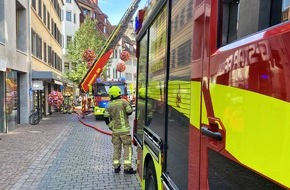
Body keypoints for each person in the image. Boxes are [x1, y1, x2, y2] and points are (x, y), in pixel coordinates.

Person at [103, 86, 136, 174]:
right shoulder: (124, 102)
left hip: (115, 131)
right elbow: (130, 112)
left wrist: (110, 126)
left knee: (116, 149)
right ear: (119, 93)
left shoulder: (108, 104)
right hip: (124, 131)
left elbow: (105, 117)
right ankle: (127, 168)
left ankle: (116, 167)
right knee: (127, 148)